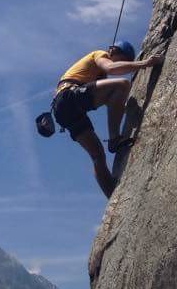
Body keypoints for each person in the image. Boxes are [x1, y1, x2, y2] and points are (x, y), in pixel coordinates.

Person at [52, 41, 163, 198]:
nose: (122, 64)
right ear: (113, 51)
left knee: (98, 155)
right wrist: (145, 63)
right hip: (69, 96)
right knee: (122, 85)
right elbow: (111, 68)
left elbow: (111, 102)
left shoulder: (95, 74)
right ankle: (114, 138)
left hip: (63, 110)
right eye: (122, 60)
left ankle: (111, 196)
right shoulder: (100, 54)